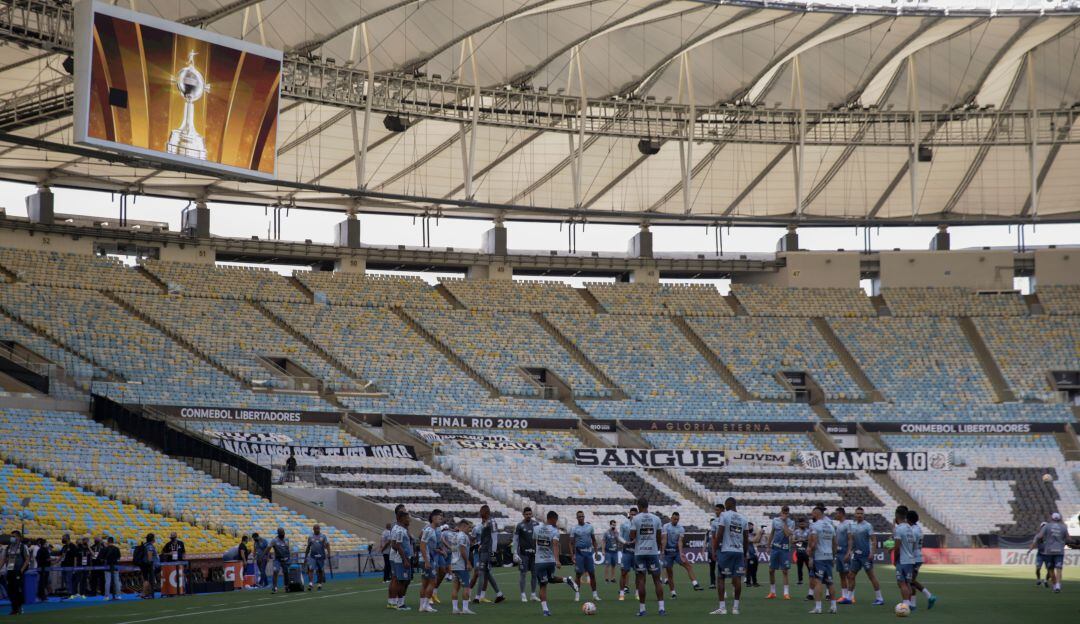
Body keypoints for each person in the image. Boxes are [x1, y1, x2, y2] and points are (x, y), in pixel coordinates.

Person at [532, 510, 579, 616]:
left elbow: (534, 543)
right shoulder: (554, 531)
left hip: (539, 561)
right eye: (556, 520)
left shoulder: (536, 529)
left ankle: (545, 610)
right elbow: (555, 545)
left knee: (543, 585)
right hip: (550, 561)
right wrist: (557, 560)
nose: (556, 522)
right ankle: (567, 580)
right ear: (552, 519)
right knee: (551, 579)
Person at [710, 497, 748, 616]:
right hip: (739, 552)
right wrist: (745, 554)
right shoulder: (743, 518)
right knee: (737, 579)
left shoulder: (724, 516)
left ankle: (722, 608)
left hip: (726, 551)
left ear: (726, 505)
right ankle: (736, 608)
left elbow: (719, 534)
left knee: (720, 578)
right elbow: (746, 539)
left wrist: (714, 550)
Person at [630, 498, 665, 616]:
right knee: (657, 580)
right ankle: (661, 609)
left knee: (641, 581)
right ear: (648, 506)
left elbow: (632, 536)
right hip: (653, 552)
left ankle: (642, 610)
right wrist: (657, 547)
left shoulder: (636, 519)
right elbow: (659, 536)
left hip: (640, 553)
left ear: (639, 506)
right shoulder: (656, 518)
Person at [846, 506, 884, 605]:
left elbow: (873, 540)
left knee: (871, 576)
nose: (859, 515)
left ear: (863, 515)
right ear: (855, 514)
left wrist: (872, 553)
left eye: (861, 513)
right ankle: (849, 598)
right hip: (856, 555)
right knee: (851, 575)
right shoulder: (851, 525)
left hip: (866, 555)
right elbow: (850, 540)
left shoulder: (868, 526)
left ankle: (880, 598)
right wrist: (849, 552)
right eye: (857, 513)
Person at [662, 511, 702, 597]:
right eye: (674, 519)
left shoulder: (681, 529)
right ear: (671, 518)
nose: (675, 521)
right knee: (670, 573)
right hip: (668, 553)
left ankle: (695, 584)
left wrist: (681, 553)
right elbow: (664, 539)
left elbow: (680, 542)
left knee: (688, 565)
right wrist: (662, 552)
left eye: (677, 519)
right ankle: (673, 593)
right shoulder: (666, 527)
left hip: (676, 552)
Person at [470, 504, 504, 603]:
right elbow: (486, 538)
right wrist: (479, 544)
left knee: (481, 572)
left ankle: (477, 597)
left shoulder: (491, 522)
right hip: (483, 550)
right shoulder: (485, 522)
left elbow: (494, 537)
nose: (480, 514)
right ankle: (499, 594)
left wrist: (493, 552)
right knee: (487, 573)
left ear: (485, 512)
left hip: (487, 551)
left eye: (481, 512)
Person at [808, 505, 837, 614]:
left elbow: (814, 543)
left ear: (816, 513)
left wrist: (810, 556)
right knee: (830, 582)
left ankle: (818, 607)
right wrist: (833, 556)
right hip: (829, 556)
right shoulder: (830, 526)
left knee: (818, 581)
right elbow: (835, 543)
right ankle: (834, 607)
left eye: (813, 513)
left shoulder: (815, 526)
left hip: (819, 557)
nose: (812, 514)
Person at [1030, 512, 1067, 593]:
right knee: (1057, 569)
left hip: (1048, 552)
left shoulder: (1047, 527)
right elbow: (1068, 538)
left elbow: (1039, 536)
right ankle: (1056, 585)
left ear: (1052, 518)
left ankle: (1053, 585)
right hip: (1054, 551)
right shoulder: (1063, 527)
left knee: (1051, 569)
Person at [569, 510, 601, 602]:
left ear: (584, 517)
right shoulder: (574, 528)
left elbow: (594, 540)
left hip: (589, 554)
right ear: (577, 518)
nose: (581, 518)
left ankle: (595, 595)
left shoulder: (590, 527)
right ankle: (577, 594)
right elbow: (570, 543)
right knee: (578, 574)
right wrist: (572, 555)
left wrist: (596, 552)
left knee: (592, 574)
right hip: (579, 554)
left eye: (582, 516)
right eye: (579, 516)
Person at [907, 510, 936, 609]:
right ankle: (913, 604)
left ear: (908, 519)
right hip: (918, 556)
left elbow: (910, 545)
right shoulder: (918, 529)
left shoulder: (912, 531)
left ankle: (929, 596)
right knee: (911, 581)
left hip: (914, 558)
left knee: (910, 580)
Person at [766, 505, 795, 600]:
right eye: (784, 512)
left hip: (785, 549)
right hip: (775, 548)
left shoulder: (791, 522)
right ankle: (772, 592)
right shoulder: (775, 520)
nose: (785, 513)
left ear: (788, 513)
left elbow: (787, 534)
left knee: (785, 571)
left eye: (787, 512)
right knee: (771, 570)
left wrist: (784, 522)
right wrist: (768, 545)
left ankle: (786, 593)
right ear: (781, 511)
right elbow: (772, 533)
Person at [512, 508, 540, 603]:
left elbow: (539, 538)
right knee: (523, 574)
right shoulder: (520, 525)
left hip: (534, 553)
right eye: (526, 514)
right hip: (523, 553)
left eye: (530, 514)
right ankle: (523, 594)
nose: (528, 515)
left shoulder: (536, 524)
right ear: (523, 514)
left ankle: (533, 594)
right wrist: (514, 552)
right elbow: (515, 540)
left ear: (532, 514)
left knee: (534, 574)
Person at [387, 510, 413, 610]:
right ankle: (399, 603)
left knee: (403, 581)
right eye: (407, 518)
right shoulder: (399, 530)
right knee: (401, 581)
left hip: (402, 558)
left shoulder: (400, 528)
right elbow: (396, 545)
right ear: (401, 518)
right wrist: (405, 559)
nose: (409, 520)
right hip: (401, 559)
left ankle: (395, 602)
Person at [419, 509, 443, 613]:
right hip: (427, 560)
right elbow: (422, 546)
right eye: (439, 518)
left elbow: (428, 546)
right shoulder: (429, 530)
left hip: (426, 558)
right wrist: (427, 561)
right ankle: (426, 605)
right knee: (433, 582)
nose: (441, 520)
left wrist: (439, 551)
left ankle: (422, 606)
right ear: (433, 518)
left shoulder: (432, 530)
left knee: (425, 583)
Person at [450, 519, 476, 615]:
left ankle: (455, 608)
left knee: (455, 587)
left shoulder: (454, 536)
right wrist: (468, 562)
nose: (470, 529)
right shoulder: (463, 536)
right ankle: (465, 609)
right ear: (464, 526)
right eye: (469, 527)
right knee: (466, 586)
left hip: (454, 564)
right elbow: (462, 549)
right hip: (461, 565)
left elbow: (452, 549)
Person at [2, 530, 30, 615]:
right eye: (11, 536)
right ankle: (14, 608)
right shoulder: (8, 547)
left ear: (19, 537)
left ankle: (19, 607)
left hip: (18, 571)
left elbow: (27, 559)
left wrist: (21, 570)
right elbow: (4, 559)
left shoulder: (23, 547)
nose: (12, 538)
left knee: (18, 590)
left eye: (14, 536)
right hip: (10, 571)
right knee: (10, 591)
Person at [833, 508, 853, 604]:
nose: (835, 515)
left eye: (836, 513)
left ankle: (851, 596)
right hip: (839, 553)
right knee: (841, 575)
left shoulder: (847, 524)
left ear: (841, 513)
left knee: (849, 575)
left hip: (845, 552)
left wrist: (848, 552)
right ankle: (844, 596)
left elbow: (850, 539)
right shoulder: (839, 525)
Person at [617, 506, 637, 601]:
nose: (633, 516)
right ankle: (621, 593)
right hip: (627, 552)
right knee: (624, 572)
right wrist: (625, 542)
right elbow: (619, 536)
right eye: (631, 514)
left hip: (637, 553)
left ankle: (637, 593)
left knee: (639, 573)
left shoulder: (640, 524)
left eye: (635, 514)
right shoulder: (624, 524)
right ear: (629, 514)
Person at [305, 524, 331, 591]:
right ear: (313, 529)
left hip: (321, 556)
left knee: (320, 570)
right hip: (312, 556)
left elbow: (327, 545)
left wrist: (329, 553)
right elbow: (308, 547)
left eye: (318, 528)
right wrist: (305, 556)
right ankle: (310, 583)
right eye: (316, 528)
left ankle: (319, 583)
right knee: (311, 569)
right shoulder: (310, 537)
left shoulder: (323, 536)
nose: (317, 530)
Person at [268, 528, 291, 593]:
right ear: (278, 533)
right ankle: (274, 587)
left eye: (283, 532)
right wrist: (265, 556)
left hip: (285, 560)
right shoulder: (274, 540)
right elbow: (268, 548)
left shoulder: (286, 540)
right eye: (281, 533)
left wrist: (289, 558)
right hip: (277, 560)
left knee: (286, 573)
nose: (282, 534)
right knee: (275, 571)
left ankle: (286, 587)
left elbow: (288, 549)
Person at [137, 533, 158, 599]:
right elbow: (149, 556)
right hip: (148, 565)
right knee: (148, 580)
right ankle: (144, 593)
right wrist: (151, 564)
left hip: (144, 564)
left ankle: (147, 593)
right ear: (152, 539)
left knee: (146, 579)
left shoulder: (145, 545)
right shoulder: (150, 546)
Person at [706, 503, 721, 589]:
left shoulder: (717, 530)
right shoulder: (708, 532)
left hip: (717, 551)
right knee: (712, 568)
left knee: (719, 567)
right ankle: (712, 583)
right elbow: (706, 541)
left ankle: (719, 582)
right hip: (710, 552)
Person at [59, 533, 77, 599]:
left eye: (63, 538)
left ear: (67, 538)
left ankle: (70, 593)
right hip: (63, 566)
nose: (62, 539)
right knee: (65, 580)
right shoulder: (64, 547)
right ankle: (68, 592)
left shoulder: (72, 546)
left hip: (70, 566)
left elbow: (75, 557)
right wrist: (55, 562)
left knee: (68, 580)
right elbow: (61, 556)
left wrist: (74, 567)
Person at [103, 536, 121, 601]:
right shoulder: (116, 549)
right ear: (113, 541)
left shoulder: (105, 548)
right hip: (115, 566)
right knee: (117, 581)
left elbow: (101, 558)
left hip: (107, 566)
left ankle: (106, 596)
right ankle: (118, 595)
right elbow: (119, 558)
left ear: (108, 541)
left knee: (107, 581)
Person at [793, 517, 810, 587]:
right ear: (799, 524)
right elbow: (792, 541)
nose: (802, 524)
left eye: (803, 523)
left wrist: (804, 541)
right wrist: (798, 541)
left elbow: (811, 541)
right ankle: (800, 581)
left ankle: (812, 580)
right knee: (799, 567)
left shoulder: (809, 531)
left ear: (805, 524)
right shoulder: (796, 531)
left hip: (807, 552)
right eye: (801, 523)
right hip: (799, 552)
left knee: (810, 567)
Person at [603, 520, 619, 585]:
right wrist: (603, 550)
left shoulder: (617, 532)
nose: (613, 526)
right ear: (610, 525)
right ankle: (606, 578)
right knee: (607, 564)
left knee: (613, 565)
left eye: (614, 525)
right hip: (608, 551)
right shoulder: (606, 532)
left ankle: (612, 578)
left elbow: (618, 541)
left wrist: (616, 534)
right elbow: (603, 541)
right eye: (612, 525)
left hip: (615, 552)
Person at [35, 538, 51, 602]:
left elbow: (37, 558)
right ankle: (42, 596)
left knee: (41, 582)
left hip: (40, 567)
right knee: (43, 583)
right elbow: (47, 559)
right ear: (44, 543)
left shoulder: (39, 550)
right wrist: (54, 559)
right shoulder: (45, 550)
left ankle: (40, 595)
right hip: (44, 568)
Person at [745, 522, 759, 588]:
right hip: (749, 553)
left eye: (751, 526)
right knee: (749, 569)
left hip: (755, 553)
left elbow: (757, 541)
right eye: (749, 526)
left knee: (755, 568)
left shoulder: (753, 534)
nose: (750, 527)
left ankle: (754, 582)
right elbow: (751, 541)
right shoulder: (745, 534)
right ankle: (748, 582)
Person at [1034, 521, 1048, 587]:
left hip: (1048, 555)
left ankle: (1045, 580)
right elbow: (1034, 543)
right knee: (1037, 568)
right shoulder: (1038, 535)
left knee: (1050, 570)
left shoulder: (1050, 536)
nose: (1044, 528)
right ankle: (1038, 580)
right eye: (1043, 526)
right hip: (1040, 554)